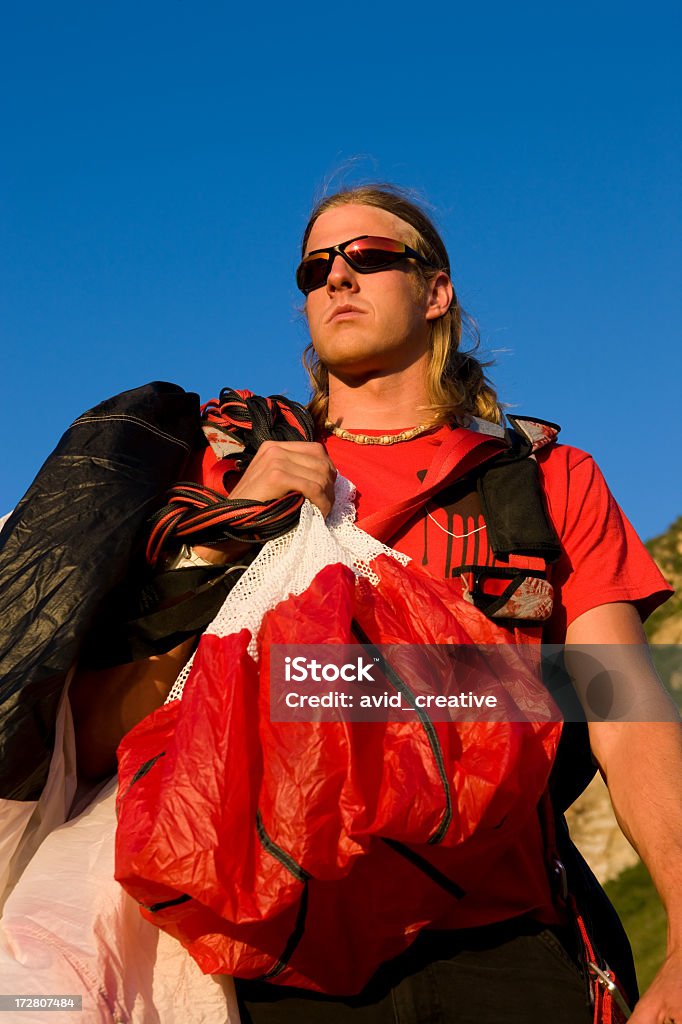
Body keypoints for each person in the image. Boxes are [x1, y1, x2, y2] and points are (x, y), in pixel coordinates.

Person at [70, 185, 681, 1023]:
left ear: (436, 292)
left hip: (502, 947)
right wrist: (227, 531)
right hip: (275, 964)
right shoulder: (224, 473)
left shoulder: (545, 481)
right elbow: (109, 729)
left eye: (369, 256)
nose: (337, 279)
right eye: (316, 267)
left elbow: (626, 705)